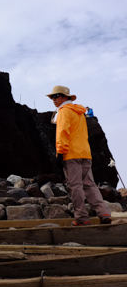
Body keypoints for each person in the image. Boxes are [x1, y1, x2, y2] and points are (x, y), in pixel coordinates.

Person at [47, 85, 111, 226]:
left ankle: (82, 218)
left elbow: (63, 133)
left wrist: (60, 153)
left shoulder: (64, 112)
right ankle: (104, 213)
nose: (53, 99)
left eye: (56, 96)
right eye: (52, 97)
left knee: (75, 186)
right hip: (85, 154)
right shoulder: (80, 112)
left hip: (71, 155)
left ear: (65, 97)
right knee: (90, 185)